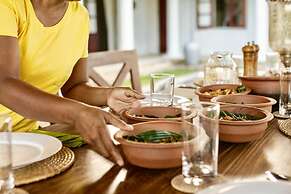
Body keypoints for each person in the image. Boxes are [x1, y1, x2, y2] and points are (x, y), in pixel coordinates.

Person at [0, 0, 144, 166]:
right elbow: (3, 84)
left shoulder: (79, 15)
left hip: (25, 141)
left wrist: (107, 95)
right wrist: (77, 113)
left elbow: (74, 87)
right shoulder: (7, 5)